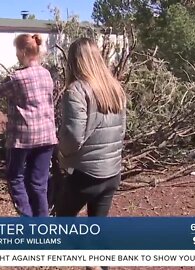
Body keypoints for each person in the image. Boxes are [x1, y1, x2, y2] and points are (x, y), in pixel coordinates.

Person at [0, 34, 57, 217]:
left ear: (22, 51)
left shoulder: (18, 77)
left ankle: (28, 221)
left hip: (22, 139)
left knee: (15, 177)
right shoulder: (46, 74)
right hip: (47, 137)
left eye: (17, 51)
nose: (16, 55)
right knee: (39, 183)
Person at [55, 37, 127, 219]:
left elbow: (73, 137)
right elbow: (122, 130)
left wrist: (61, 153)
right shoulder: (115, 88)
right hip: (112, 173)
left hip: (85, 175)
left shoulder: (76, 91)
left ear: (74, 61)